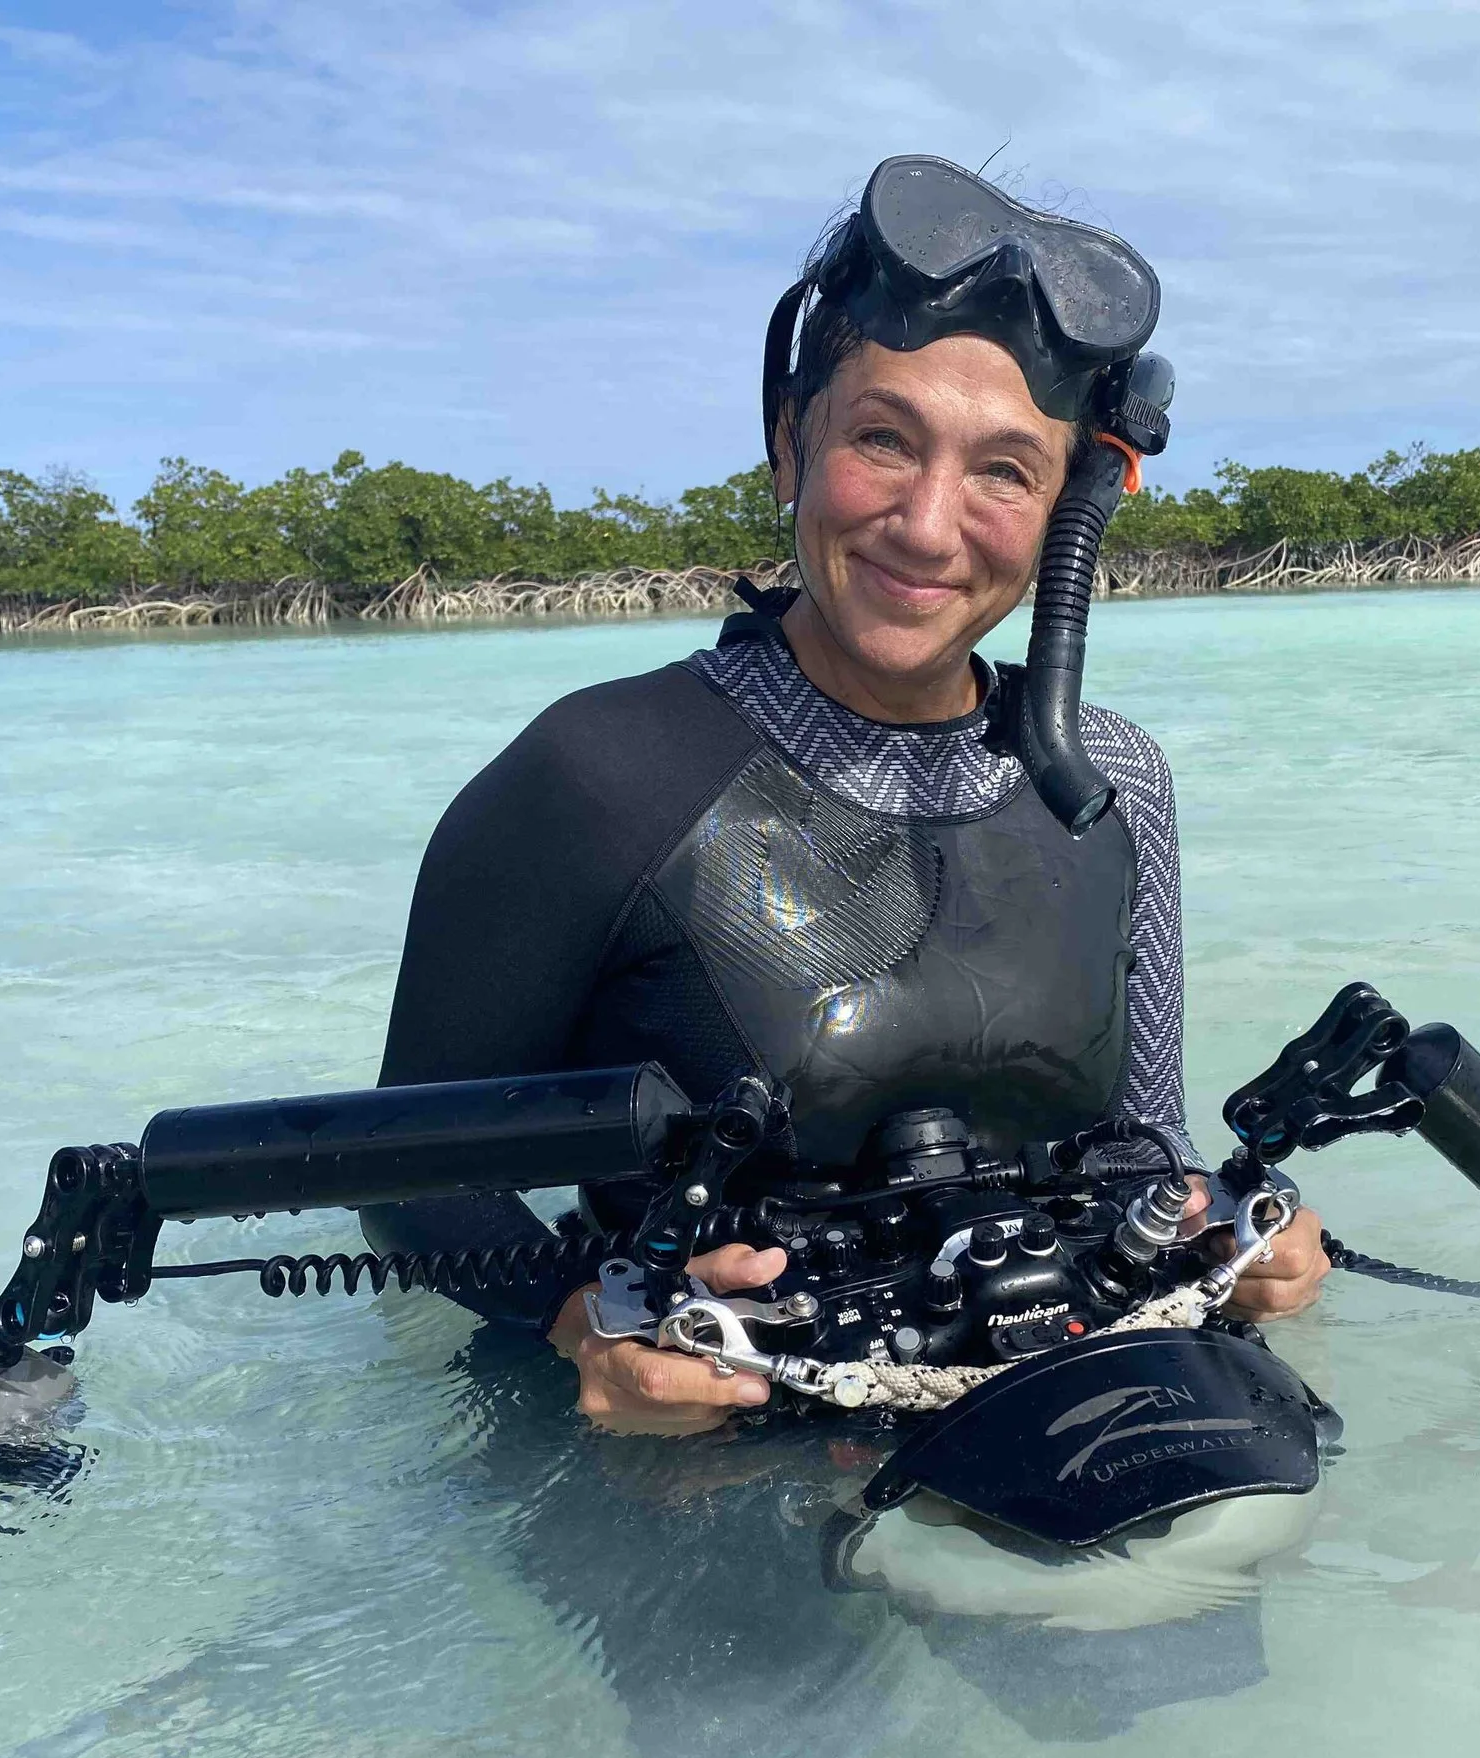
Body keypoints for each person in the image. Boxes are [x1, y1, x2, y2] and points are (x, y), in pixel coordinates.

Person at [365, 156, 1327, 1433]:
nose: (928, 526)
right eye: (884, 440)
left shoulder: (1115, 780)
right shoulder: (598, 773)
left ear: (1070, 511)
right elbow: (408, 1176)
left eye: (1004, 470)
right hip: (707, 1439)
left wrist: (1237, 1240)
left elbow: (1149, 1148)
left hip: (1069, 1390)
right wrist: (574, 1321)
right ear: (790, 445)